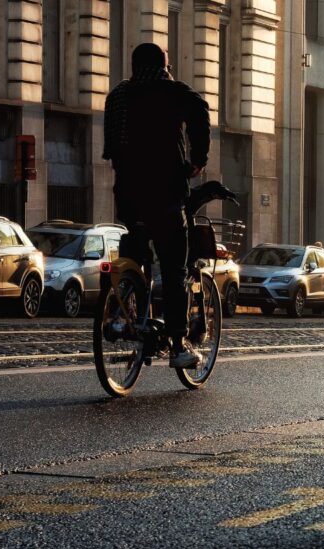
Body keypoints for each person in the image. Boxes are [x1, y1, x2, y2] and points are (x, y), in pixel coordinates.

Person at [103, 43, 210, 369]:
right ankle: (178, 345)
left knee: (135, 251)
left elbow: (111, 148)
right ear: (165, 65)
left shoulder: (118, 95)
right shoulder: (173, 91)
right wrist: (198, 159)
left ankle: (123, 312)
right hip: (165, 193)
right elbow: (201, 111)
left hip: (128, 194)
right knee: (174, 267)